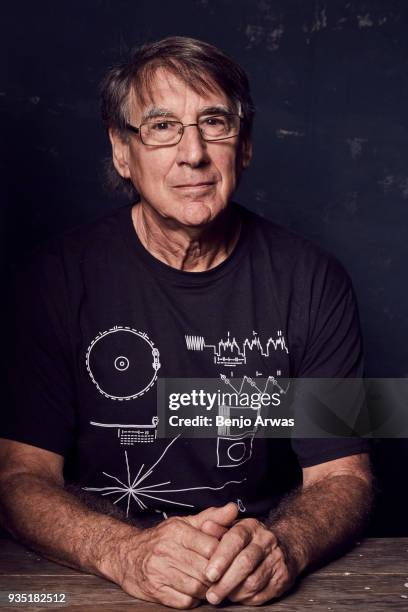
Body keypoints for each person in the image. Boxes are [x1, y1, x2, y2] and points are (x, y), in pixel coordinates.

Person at [0, 36, 372, 609]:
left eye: (214, 123)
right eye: (162, 127)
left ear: (243, 145)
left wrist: (285, 546)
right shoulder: (51, 280)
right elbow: (18, 478)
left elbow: (344, 476)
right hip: (95, 579)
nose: (193, 153)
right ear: (123, 152)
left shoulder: (314, 279)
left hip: (250, 577)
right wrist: (124, 551)